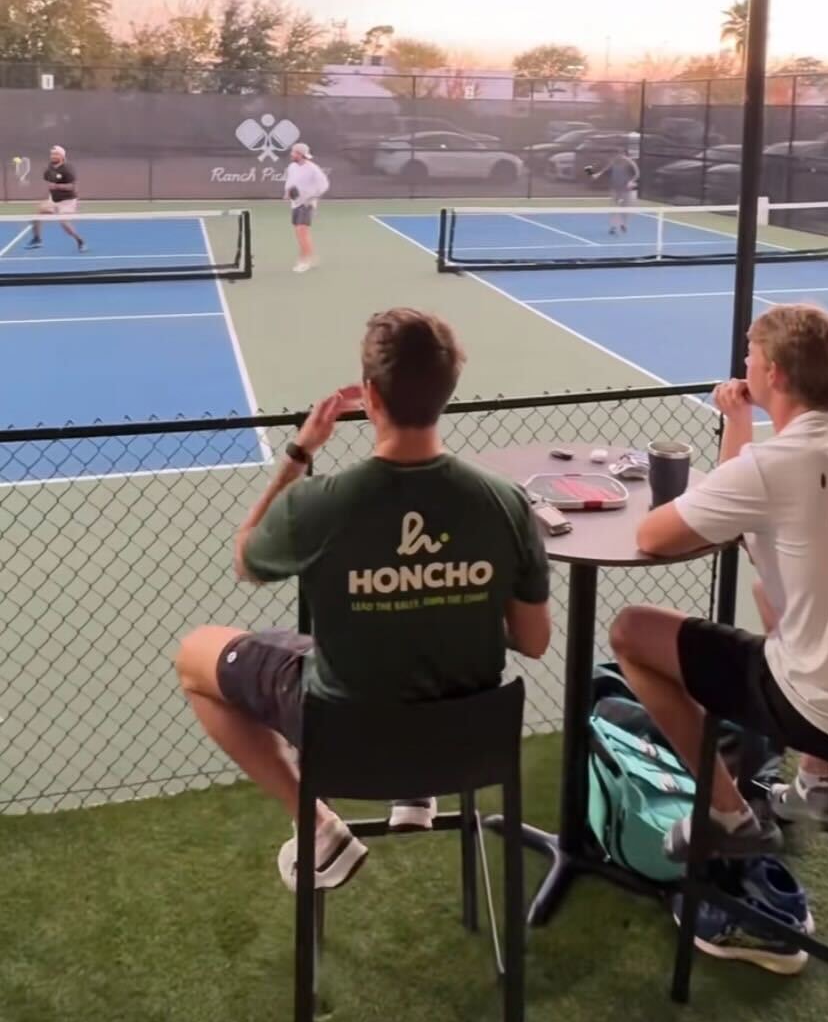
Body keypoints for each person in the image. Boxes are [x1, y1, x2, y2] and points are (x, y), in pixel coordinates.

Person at [175, 308, 551, 891]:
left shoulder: (317, 505)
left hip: (344, 736)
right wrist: (448, 601)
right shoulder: (506, 503)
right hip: (462, 740)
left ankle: (317, 824)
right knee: (407, 639)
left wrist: (299, 454)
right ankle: (415, 789)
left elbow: (245, 558)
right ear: (447, 390)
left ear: (370, 396)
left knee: (194, 656)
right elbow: (534, 640)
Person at [609, 303, 828, 862]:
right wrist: (740, 423)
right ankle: (818, 780)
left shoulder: (775, 466)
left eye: (750, 355)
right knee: (768, 592)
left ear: (775, 373)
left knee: (631, 631)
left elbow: (654, 535)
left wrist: (735, 435)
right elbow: (748, 504)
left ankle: (726, 815)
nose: (745, 363)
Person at [25, 145, 86, 252]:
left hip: (67, 201)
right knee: (36, 217)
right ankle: (37, 240)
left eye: (56, 154)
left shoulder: (68, 169)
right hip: (53, 200)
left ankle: (80, 241)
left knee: (64, 224)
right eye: (52, 154)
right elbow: (49, 181)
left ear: (62, 156)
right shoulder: (50, 167)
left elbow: (72, 186)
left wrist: (57, 186)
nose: (53, 156)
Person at [283, 141, 329, 274]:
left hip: (306, 204)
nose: (291, 154)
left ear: (300, 154)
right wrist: (287, 192)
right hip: (295, 203)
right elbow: (290, 182)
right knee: (300, 234)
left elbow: (324, 185)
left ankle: (304, 261)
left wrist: (312, 198)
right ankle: (311, 258)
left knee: (302, 232)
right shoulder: (292, 166)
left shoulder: (313, 168)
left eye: (294, 152)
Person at [589, 148, 640, 235]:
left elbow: (637, 174)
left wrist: (631, 181)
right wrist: (598, 174)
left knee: (625, 208)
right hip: (615, 189)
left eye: (621, 154)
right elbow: (605, 169)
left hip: (625, 190)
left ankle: (624, 224)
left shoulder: (630, 163)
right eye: (618, 154)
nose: (619, 155)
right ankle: (613, 227)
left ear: (625, 154)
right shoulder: (614, 162)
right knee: (613, 208)